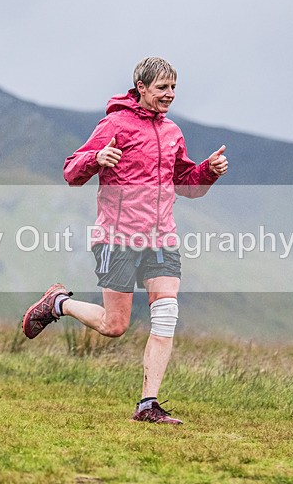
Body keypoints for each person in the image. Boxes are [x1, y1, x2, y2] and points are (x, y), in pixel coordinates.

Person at [21, 57, 228, 424]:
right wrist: (98, 158)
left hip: (161, 238)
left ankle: (148, 404)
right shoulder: (115, 124)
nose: (169, 94)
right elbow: (71, 171)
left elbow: (186, 187)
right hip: (117, 238)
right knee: (114, 326)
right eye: (162, 88)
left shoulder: (172, 132)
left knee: (166, 314)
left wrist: (207, 172)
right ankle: (58, 303)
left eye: (174, 88)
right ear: (142, 88)